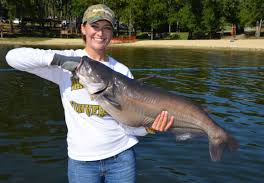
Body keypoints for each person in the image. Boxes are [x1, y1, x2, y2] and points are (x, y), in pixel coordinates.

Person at [6, 4, 174, 183]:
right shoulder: (66, 62)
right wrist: (59, 60)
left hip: (121, 158)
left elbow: (128, 126)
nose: (100, 33)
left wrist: (148, 128)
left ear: (111, 32)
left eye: (107, 28)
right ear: (83, 28)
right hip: (82, 163)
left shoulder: (122, 71)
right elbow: (13, 57)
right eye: (95, 26)